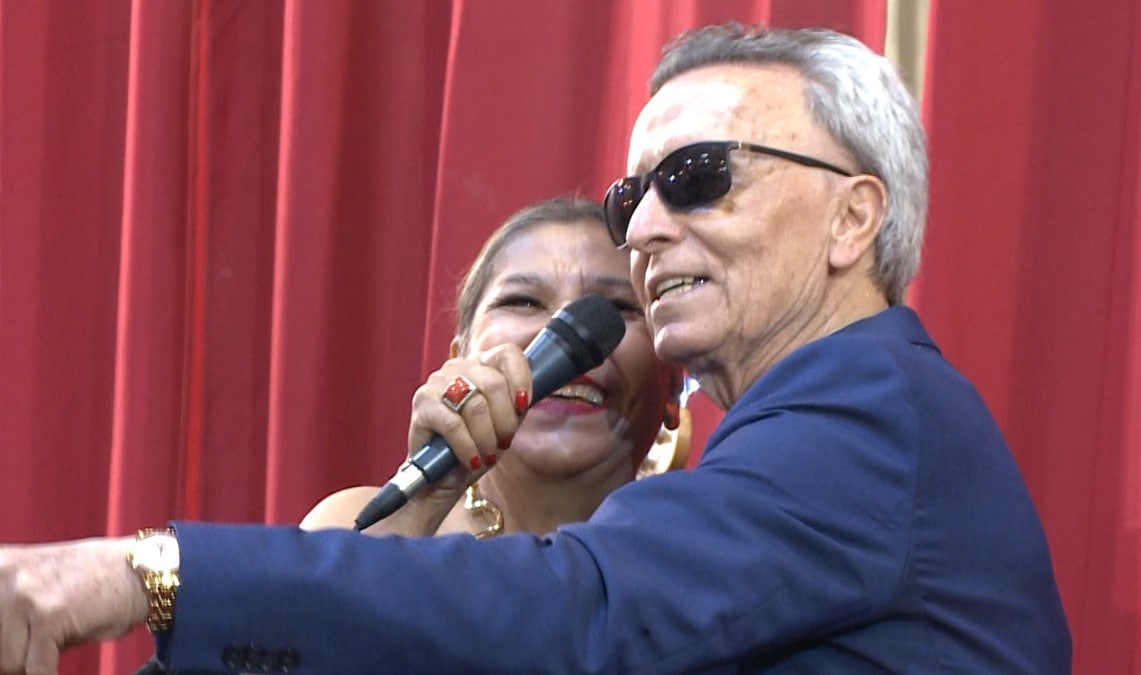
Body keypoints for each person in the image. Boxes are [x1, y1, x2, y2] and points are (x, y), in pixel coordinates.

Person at [0, 23, 1071, 675]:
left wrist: (142, 571)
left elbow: (582, 615)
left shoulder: (865, 409)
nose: (645, 227)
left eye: (696, 174)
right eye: (631, 194)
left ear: (851, 219)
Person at [299, 197, 685, 539]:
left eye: (616, 308)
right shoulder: (348, 528)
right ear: (458, 361)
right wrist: (421, 507)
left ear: (673, 386)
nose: (567, 331)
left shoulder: (706, 565)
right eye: (524, 302)